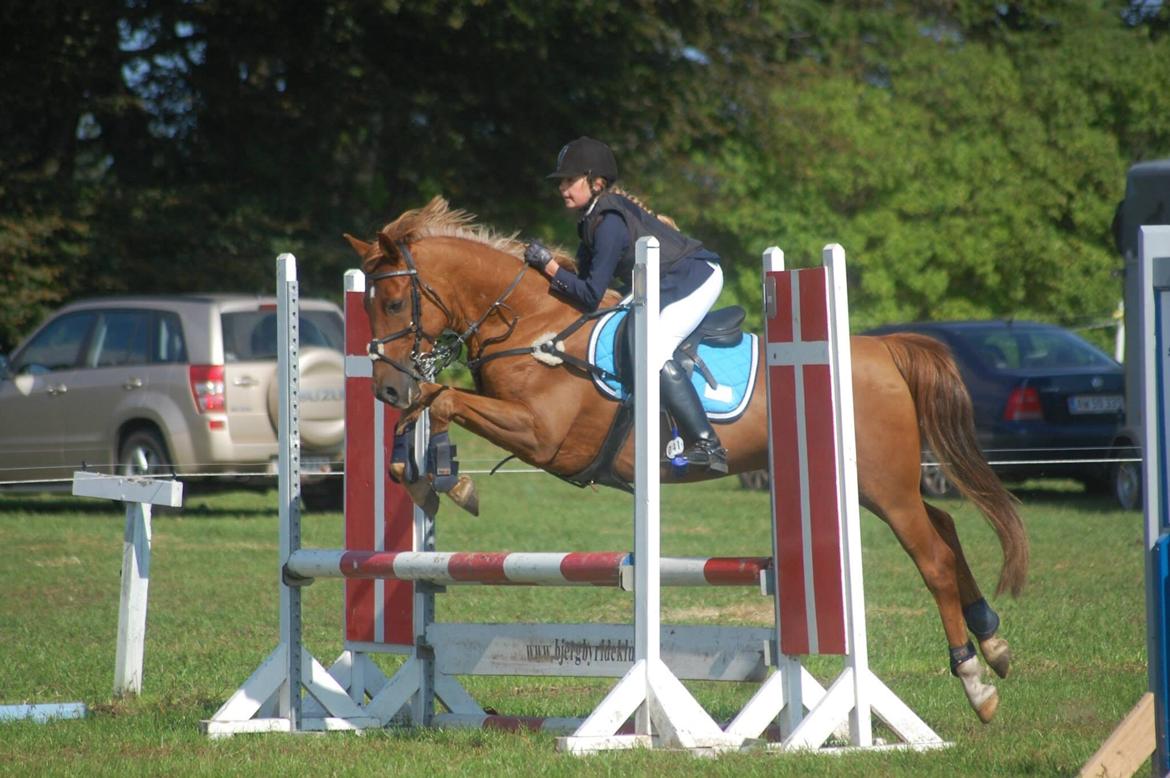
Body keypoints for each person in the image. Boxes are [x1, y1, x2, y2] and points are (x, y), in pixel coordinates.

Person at [523, 136, 728, 473]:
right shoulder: (592, 219)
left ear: (596, 182)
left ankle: (708, 444)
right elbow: (588, 291)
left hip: (695, 277)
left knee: (654, 350)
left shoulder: (609, 224)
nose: (563, 188)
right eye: (561, 181)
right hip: (661, 281)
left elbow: (589, 294)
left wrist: (548, 266)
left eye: (570, 181)